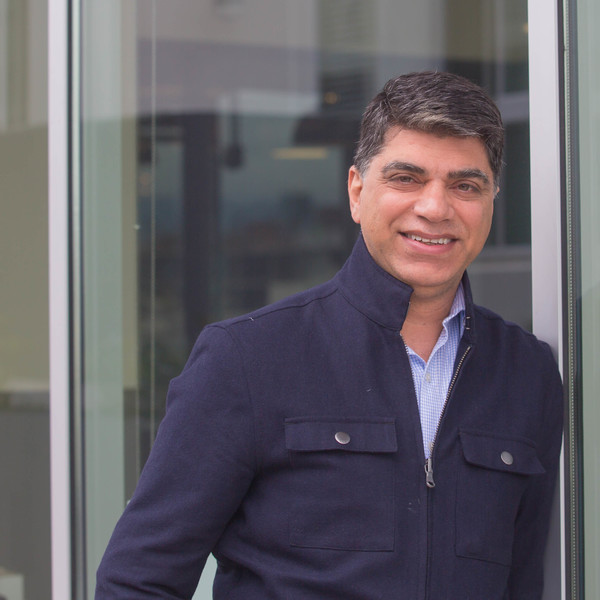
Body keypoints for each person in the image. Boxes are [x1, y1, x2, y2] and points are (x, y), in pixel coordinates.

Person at [96, 71, 563, 599]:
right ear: (357, 192)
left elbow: (524, 584)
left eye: (465, 185)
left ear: (492, 201)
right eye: (406, 178)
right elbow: (137, 582)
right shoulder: (248, 360)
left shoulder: (527, 374)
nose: (435, 207)